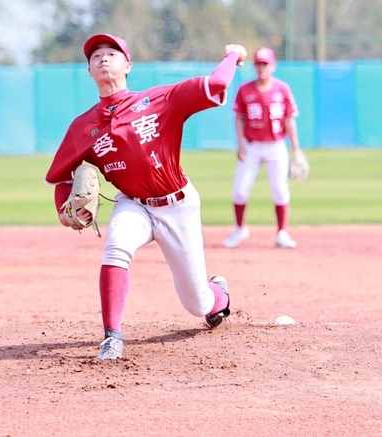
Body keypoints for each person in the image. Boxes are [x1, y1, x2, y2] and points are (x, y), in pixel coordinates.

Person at [45, 33, 247, 360]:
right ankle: (112, 337)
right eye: (95, 56)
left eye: (112, 52)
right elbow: (60, 179)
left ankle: (218, 295)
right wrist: (64, 208)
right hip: (133, 204)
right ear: (89, 71)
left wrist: (232, 55)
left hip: (178, 205)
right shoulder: (83, 127)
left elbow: (216, 83)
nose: (103, 58)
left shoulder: (159, 100)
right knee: (116, 247)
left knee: (196, 303)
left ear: (128, 65)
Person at [223, 46, 303, 249]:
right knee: (240, 191)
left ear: (273, 66)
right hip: (251, 146)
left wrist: (296, 149)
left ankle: (282, 233)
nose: (261, 68)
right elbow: (239, 119)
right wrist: (240, 144)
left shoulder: (282, 89)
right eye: (258, 64)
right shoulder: (245, 90)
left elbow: (289, 120)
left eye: (265, 64)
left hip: (276, 146)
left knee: (280, 191)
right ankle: (240, 229)